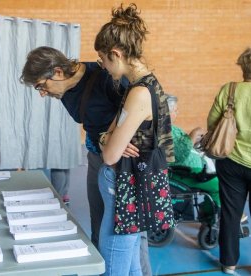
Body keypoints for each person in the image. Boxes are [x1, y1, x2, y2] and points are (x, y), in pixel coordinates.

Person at [21, 46, 152, 276]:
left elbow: (139, 110)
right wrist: (103, 141)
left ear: (58, 72)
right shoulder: (64, 90)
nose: (42, 93)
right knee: (100, 222)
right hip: (97, 158)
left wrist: (124, 142)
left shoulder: (104, 77)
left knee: (131, 231)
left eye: (42, 86)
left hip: (125, 163)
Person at [94, 4, 174, 275]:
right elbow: (109, 133)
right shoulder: (145, 85)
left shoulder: (139, 93)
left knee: (115, 270)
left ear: (115, 54)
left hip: (124, 189)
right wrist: (109, 137)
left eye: (102, 60)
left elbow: (109, 155)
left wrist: (109, 140)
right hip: (128, 188)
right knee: (131, 269)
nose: (103, 67)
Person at [207, 48, 251, 275]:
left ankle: (229, 263)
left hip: (231, 161)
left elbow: (212, 124)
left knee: (230, 212)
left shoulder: (230, 90)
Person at [166, 94, 221, 213]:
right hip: (184, 173)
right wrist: (192, 136)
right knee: (220, 186)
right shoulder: (163, 130)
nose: (178, 112)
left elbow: (186, 147)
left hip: (193, 171)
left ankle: (212, 219)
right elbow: (177, 155)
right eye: (175, 110)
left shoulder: (173, 128)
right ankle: (217, 219)